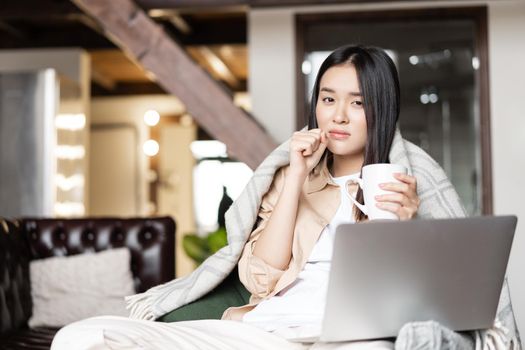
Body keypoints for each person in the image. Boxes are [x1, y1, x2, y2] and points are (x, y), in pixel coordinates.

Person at [51, 45, 465, 350]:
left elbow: (430, 293)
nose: (338, 116)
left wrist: (411, 228)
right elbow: (260, 279)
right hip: (261, 333)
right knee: (81, 337)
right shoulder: (291, 174)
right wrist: (295, 178)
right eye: (328, 99)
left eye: (357, 103)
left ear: (382, 110)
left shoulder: (406, 182)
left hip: (352, 338)